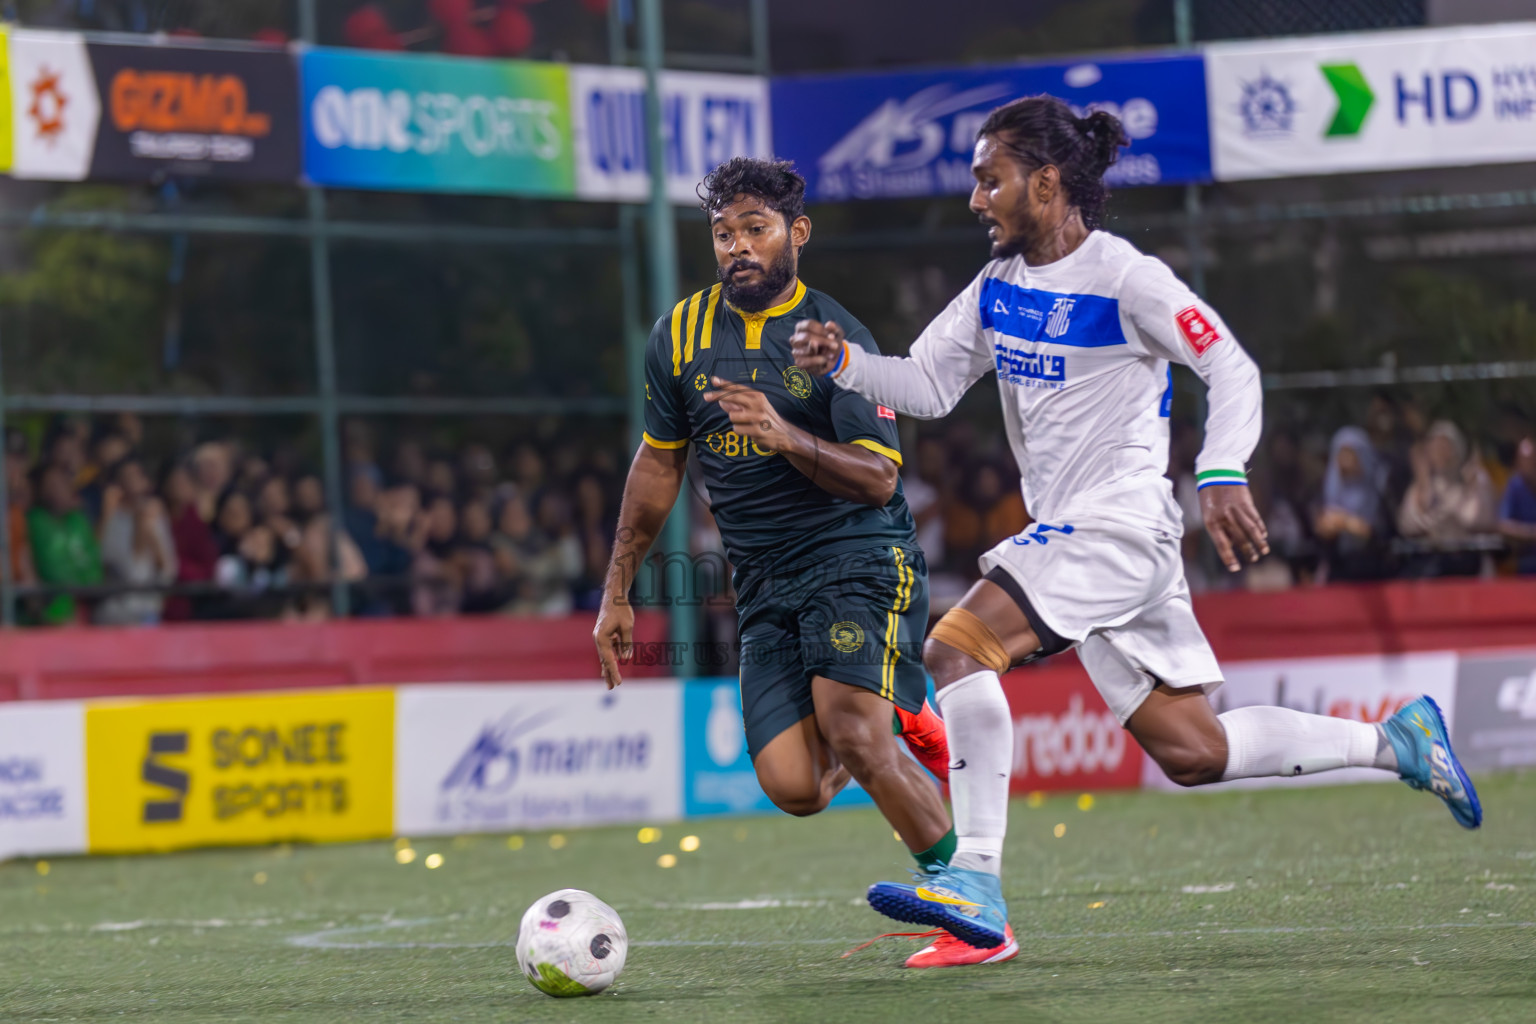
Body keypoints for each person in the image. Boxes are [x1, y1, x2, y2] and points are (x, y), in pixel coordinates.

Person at [792, 95, 1481, 956]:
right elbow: (928, 386)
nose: (976, 199)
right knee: (1194, 751)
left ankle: (973, 875)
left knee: (953, 648)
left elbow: (1229, 365)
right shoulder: (997, 287)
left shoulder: (1125, 277)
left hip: (1117, 527)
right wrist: (847, 362)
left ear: (1045, 185)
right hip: (1088, 543)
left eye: (988, 180)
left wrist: (1222, 470)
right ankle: (1397, 740)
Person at [592, 157, 968, 965]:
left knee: (853, 734)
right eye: (723, 233)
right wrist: (616, 592)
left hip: (857, 558)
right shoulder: (680, 335)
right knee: (794, 788)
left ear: (796, 234)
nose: (737, 246)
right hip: (763, 584)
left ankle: (972, 900)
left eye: (755, 230)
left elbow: (879, 478)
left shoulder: (833, 338)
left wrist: (788, 435)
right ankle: (907, 713)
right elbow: (658, 465)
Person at [1397, 419, 1495, 577]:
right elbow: (1408, 526)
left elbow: (1476, 520)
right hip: (1432, 563)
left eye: (1445, 446)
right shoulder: (1421, 485)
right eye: (1435, 446)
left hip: (1469, 563)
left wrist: (1467, 492)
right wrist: (1424, 486)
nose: (1440, 452)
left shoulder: (1474, 481)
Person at [96, 456, 178, 626]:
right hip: (113, 611)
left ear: (146, 482)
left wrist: (149, 534)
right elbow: (103, 558)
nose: (130, 482)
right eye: (124, 477)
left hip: (147, 610)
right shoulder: (110, 518)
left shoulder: (155, 517)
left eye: (135, 476)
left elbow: (168, 569)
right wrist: (107, 515)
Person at [28, 463, 103, 625]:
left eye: (62, 482)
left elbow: (93, 561)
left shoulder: (78, 519)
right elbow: (52, 568)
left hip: (90, 602)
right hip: (56, 605)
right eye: (51, 485)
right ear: (41, 491)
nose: (59, 489)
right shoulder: (35, 521)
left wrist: (89, 588)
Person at [1314, 426, 1391, 581]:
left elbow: (1380, 530)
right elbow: (1319, 526)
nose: (1344, 459)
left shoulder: (1378, 487)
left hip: (1372, 569)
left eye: (1350, 453)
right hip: (1339, 569)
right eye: (1341, 453)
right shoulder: (1330, 489)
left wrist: (1345, 522)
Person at [1497, 435, 1536, 574]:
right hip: (1524, 559)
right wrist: (1531, 533)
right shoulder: (1514, 486)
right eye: (1526, 460)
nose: (1531, 464)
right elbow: (1503, 525)